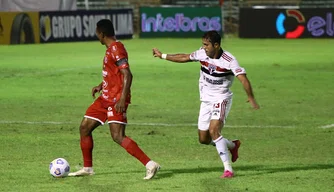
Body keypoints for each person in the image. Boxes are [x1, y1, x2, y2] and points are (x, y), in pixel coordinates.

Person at [152, 30, 259, 178]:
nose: (204, 47)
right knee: (204, 139)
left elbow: (243, 78)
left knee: (214, 131)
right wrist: (163, 55)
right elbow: (184, 57)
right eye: (203, 44)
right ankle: (232, 145)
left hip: (221, 99)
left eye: (206, 45)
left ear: (216, 45)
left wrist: (251, 97)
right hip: (206, 100)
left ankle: (228, 170)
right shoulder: (202, 53)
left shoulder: (229, 60)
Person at [68, 19, 160, 180]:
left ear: (102, 34)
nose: (97, 36)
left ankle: (150, 164)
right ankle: (87, 168)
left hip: (116, 100)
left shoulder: (116, 49)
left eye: (97, 33)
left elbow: (127, 74)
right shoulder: (110, 49)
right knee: (84, 128)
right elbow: (114, 74)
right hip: (105, 98)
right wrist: (100, 86)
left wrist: (122, 99)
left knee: (117, 136)